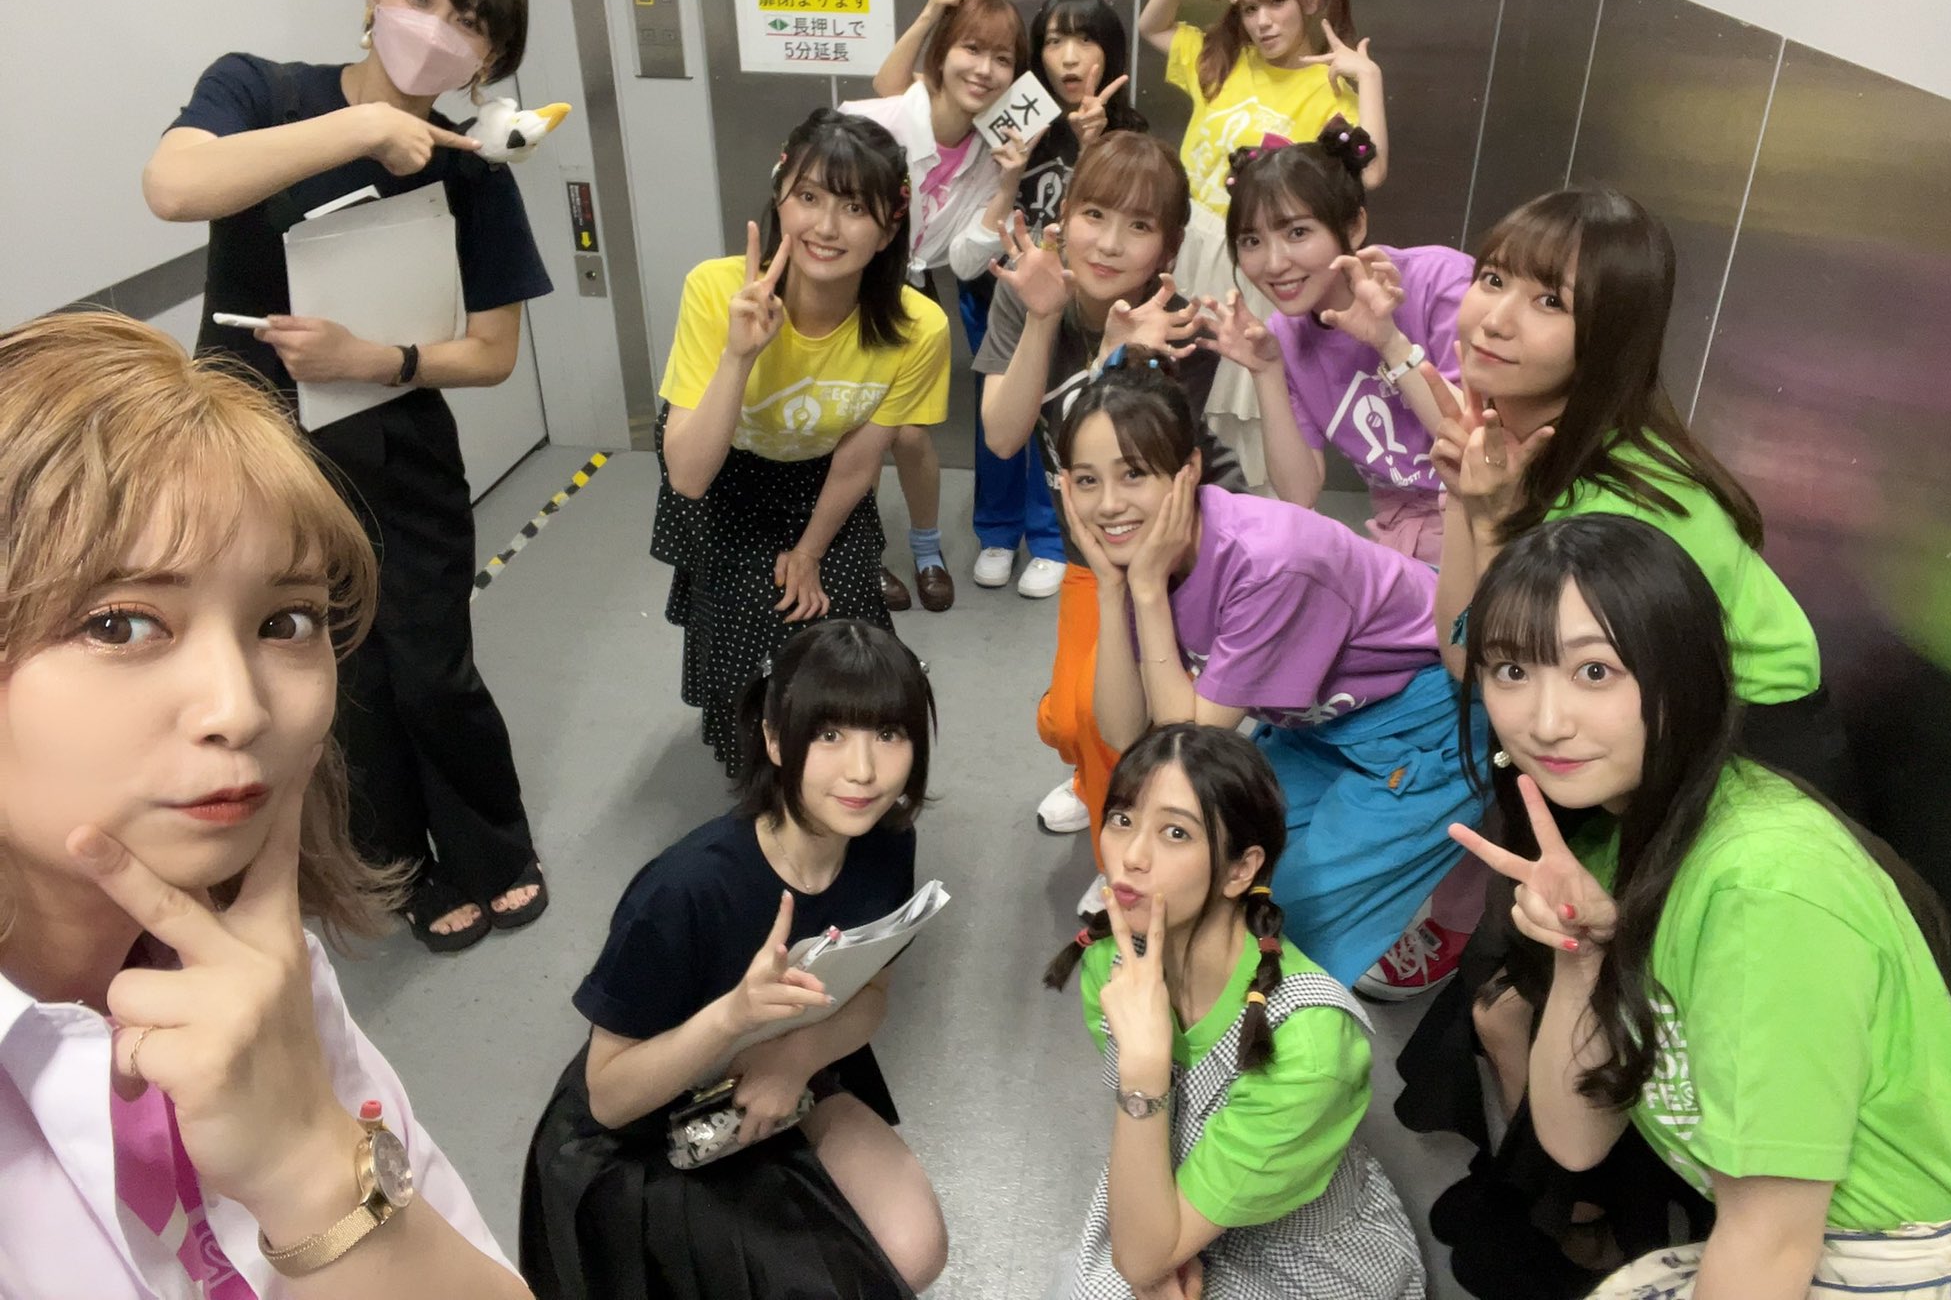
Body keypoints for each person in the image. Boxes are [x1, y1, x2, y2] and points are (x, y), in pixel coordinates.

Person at [0, 310, 526, 1296]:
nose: (241, 710)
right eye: (120, 625)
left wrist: (309, 1171)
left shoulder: (259, 974)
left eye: (285, 621)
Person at [1450, 514, 1951, 1299]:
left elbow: (1769, 1244)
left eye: (1595, 671)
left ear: (1684, 676)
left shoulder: (1762, 887)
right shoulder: (1616, 839)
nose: (1545, 721)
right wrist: (1582, 957)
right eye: (1510, 670)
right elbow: (1575, 1142)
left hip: (1924, 1266)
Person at [143, 0, 551, 953]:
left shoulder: (470, 168)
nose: (433, 29)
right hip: (259, 455)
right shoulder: (260, 91)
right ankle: (397, 864)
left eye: (468, 22)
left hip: (398, 450)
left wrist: (378, 359)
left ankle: (493, 850)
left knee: (433, 665)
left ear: (489, 58)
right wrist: (362, 130)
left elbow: (492, 351)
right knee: (333, 678)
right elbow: (174, 186)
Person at [521, 621, 948, 1299]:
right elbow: (607, 1098)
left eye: (889, 734)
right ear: (775, 739)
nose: (864, 770)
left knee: (915, 1246)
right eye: (829, 734)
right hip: (643, 1138)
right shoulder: (682, 890)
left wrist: (794, 1059)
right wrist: (732, 1017)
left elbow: (872, 995)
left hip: (775, 1079)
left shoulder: (885, 842)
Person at [1058, 354, 1482, 997]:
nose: (1109, 504)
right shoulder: (1150, 549)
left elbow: (1189, 744)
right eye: (1087, 481)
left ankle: (1275, 1042)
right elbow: (1123, 732)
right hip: (1322, 719)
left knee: (1289, 920)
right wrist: (1114, 589)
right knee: (1225, 871)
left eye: (1134, 474)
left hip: (1428, 713)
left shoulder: (1267, 562)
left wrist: (1143, 591)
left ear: (1188, 471)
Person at [1426, 186, 1853, 810]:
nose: (1495, 320)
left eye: (1550, 301)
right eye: (1492, 279)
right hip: (1637, 723)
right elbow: (1464, 656)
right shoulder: (1517, 453)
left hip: (1747, 747)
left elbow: (1512, 679)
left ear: (1609, 335)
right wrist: (1467, 500)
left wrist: (1489, 517)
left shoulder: (1619, 507)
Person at [1043, 723, 1425, 1299]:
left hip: (1300, 1251)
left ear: (1241, 869)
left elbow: (1142, 1258)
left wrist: (1144, 1067)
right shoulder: (1110, 963)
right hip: (1184, 1176)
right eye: (1122, 819)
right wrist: (1160, 1253)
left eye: (1175, 832)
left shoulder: (1310, 1045)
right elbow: (1146, 1244)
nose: (1131, 857)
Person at [973, 132, 1243, 864]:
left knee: (1135, 717)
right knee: (1072, 718)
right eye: (1094, 214)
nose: (1111, 243)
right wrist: (1043, 319)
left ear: (1169, 246)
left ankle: (1127, 843)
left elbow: (1123, 464)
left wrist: (1120, 358)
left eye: (1140, 225)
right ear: (1065, 215)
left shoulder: (1179, 327)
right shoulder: (1030, 291)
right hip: (1092, 544)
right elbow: (1003, 435)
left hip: (1174, 549)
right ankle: (1092, 772)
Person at [652, 109, 949, 772]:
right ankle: (760, 779)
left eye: (854, 207)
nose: (826, 226)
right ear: (780, 196)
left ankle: (843, 783)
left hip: (821, 475)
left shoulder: (917, 328)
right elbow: (690, 476)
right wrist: (738, 355)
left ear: (889, 228)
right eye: (808, 197)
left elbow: (861, 457)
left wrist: (810, 552)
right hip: (722, 467)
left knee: (850, 633)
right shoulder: (716, 289)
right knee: (742, 626)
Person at [911, 0, 1150, 602]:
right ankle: (996, 531)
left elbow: (1125, 228)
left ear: (1110, 50)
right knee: (995, 412)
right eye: (1053, 40)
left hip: (1074, 303)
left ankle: (1049, 539)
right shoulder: (1011, 118)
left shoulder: (1127, 132)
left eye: (1086, 39)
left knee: (1063, 416)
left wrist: (1097, 146)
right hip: (996, 292)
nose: (1069, 57)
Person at [1136, 0, 1387, 485]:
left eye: (1277, 3)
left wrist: (1368, 79)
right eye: (1250, 8)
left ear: (1311, 0)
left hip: (1255, 265)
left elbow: (1368, 172)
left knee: (1245, 405)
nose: (1263, 22)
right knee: (1166, 391)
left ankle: (1248, 516)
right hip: (1185, 250)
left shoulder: (1327, 87)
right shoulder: (1222, 61)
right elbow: (1151, 27)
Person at [848, 0, 1034, 610]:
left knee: (911, 436)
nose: (984, 70)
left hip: (916, 290)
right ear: (942, 52)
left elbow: (964, 259)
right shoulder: (877, 122)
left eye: (1002, 59)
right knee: (857, 433)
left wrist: (1007, 186)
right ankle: (862, 555)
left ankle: (926, 547)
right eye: (971, 49)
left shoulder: (989, 152)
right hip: (852, 290)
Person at [1209, 121, 1467, 561]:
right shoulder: (1285, 335)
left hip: (1496, 516)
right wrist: (1266, 372)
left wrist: (1389, 341)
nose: (1274, 263)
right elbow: (1300, 493)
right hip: (1403, 535)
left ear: (1354, 226)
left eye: (1297, 232)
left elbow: (1476, 443)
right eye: (1251, 240)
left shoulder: (1438, 282)